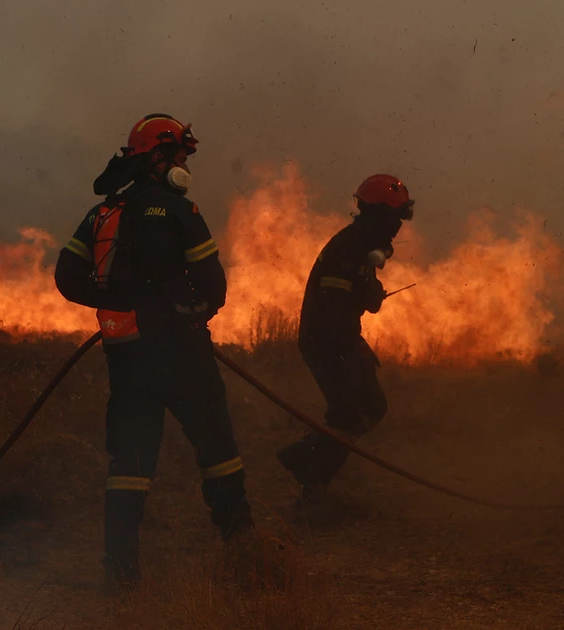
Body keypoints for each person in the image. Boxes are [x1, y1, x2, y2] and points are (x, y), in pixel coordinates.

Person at [54, 114, 254, 592]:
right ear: (158, 159)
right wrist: (188, 310)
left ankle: (120, 573)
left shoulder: (103, 213)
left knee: (130, 463)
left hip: (126, 355)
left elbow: (66, 277)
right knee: (217, 450)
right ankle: (244, 553)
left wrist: (117, 301)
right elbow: (214, 286)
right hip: (182, 355)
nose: (185, 164)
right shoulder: (180, 210)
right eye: (181, 156)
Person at [276, 174, 414, 512]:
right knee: (348, 413)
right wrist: (353, 353)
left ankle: (304, 459)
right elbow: (334, 307)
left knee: (372, 409)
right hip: (327, 342)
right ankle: (311, 486)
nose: (398, 226)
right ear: (379, 215)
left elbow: (360, 295)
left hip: (341, 339)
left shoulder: (364, 246)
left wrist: (370, 293)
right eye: (395, 218)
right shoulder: (350, 248)